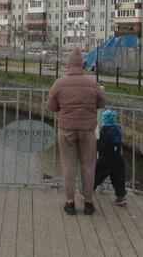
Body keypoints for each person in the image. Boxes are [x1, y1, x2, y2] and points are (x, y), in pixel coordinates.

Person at [47, 48, 106, 216]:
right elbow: (102, 102)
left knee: (68, 165)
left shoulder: (59, 83)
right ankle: (88, 202)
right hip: (87, 129)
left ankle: (70, 202)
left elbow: (51, 106)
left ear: (69, 64)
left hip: (66, 129)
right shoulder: (92, 83)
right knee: (88, 165)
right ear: (82, 65)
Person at [92, 109, 127, 207]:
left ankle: (87, 192)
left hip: (105, 157)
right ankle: (121, 196)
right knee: (118, 177)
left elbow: (99, 144)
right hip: (118, 157)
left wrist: (95, 150)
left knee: (97, 174)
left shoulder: (103, 131)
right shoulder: (118, 130)